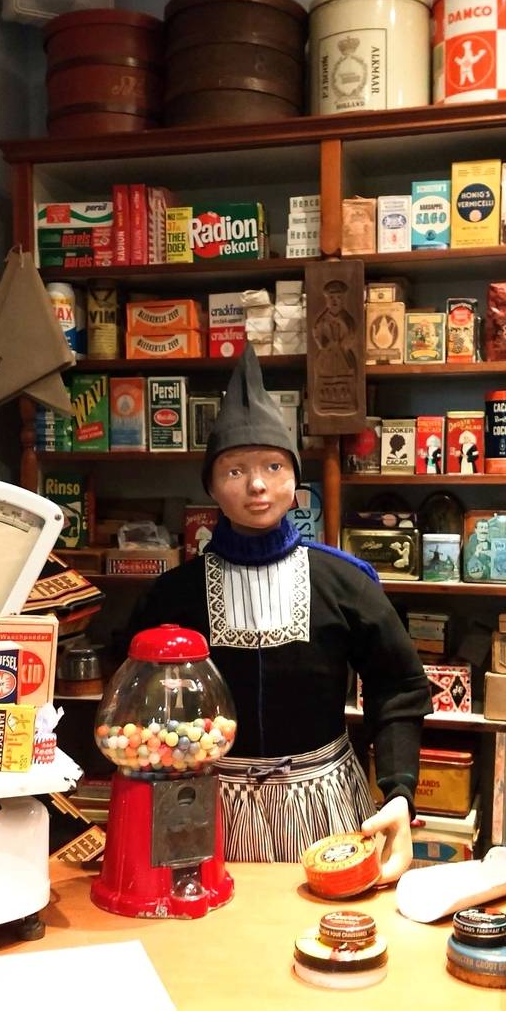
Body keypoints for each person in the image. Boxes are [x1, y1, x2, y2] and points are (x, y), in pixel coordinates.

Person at [127, 347, 430, 879]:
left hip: (327, 805)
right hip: (205, 807)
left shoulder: (346, 583)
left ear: (295, 479)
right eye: (235, 470)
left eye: (273, 466)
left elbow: (398, 688)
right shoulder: (172, 596)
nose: (257, 485)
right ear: (211, 485)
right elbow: (137, 701)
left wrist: (400, 790)